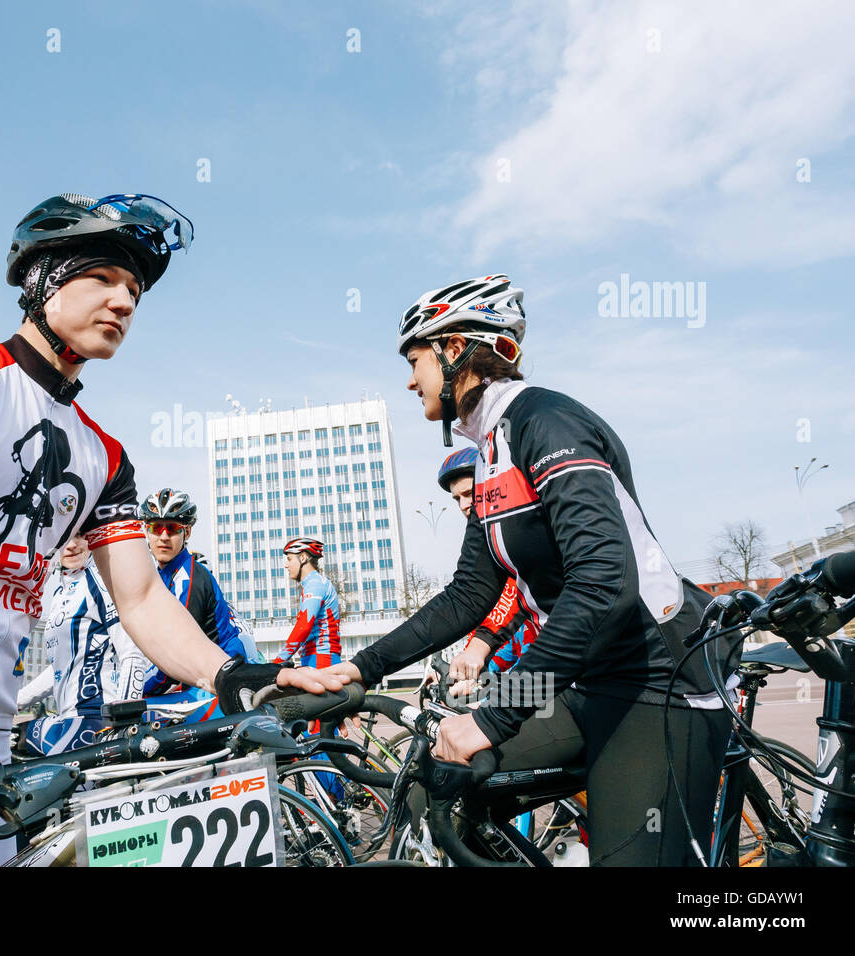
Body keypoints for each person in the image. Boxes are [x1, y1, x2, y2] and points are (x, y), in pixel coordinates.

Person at [0, 193, 345, 867]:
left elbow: (139, 598)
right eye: (103, 277)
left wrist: (229, 675)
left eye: (134, 289)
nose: (125, 301)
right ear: (43, 279)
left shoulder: (104, 454)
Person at [324, 273, 733, 866]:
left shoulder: (546, 420)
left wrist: (493, 715)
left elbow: (605, 584)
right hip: (584, 683)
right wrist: (359, 668)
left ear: (455, 349)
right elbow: (468, 595)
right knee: (429, 782)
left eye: (415, 360)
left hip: (657, 681)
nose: (410, 380)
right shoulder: (489, 453)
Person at [14, 535, 148, 755]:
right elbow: (62, 667)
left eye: (79, 536)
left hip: (95, 718)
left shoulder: (101, 581)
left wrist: (123, 721)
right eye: (64, 537)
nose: (72, 545)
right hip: (67, 717)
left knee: (46, 781)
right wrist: (16, 702)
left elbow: (133, 653)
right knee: (12, 743)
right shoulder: (59, 594)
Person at [138, 488, 261, 720]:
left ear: (187, 532)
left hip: (219, 683)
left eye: (173, 528)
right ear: (147, 531)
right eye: (156, 527)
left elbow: (176, 655)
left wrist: (137, 689)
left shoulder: (189, 577)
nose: (163, 536)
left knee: (131, 718)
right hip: (201, 679)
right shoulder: (163, 574)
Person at [433, 447, 529, 696]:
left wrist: (478, 662)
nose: (464, 505)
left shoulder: (514, 537)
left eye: (469, 494)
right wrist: (477, 672)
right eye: (457, 498)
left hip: (555, 665)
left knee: (481, 723)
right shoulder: (486, 540)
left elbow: (509, 605)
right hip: (526, 657)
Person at [274, 537, 341, 668]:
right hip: (314, 657)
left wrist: (278, 660)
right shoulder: (312, 584)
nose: (286, 565)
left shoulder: (315, 584)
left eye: (289, 559)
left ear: (303, 558)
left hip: (321, 658)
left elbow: (303, 627)